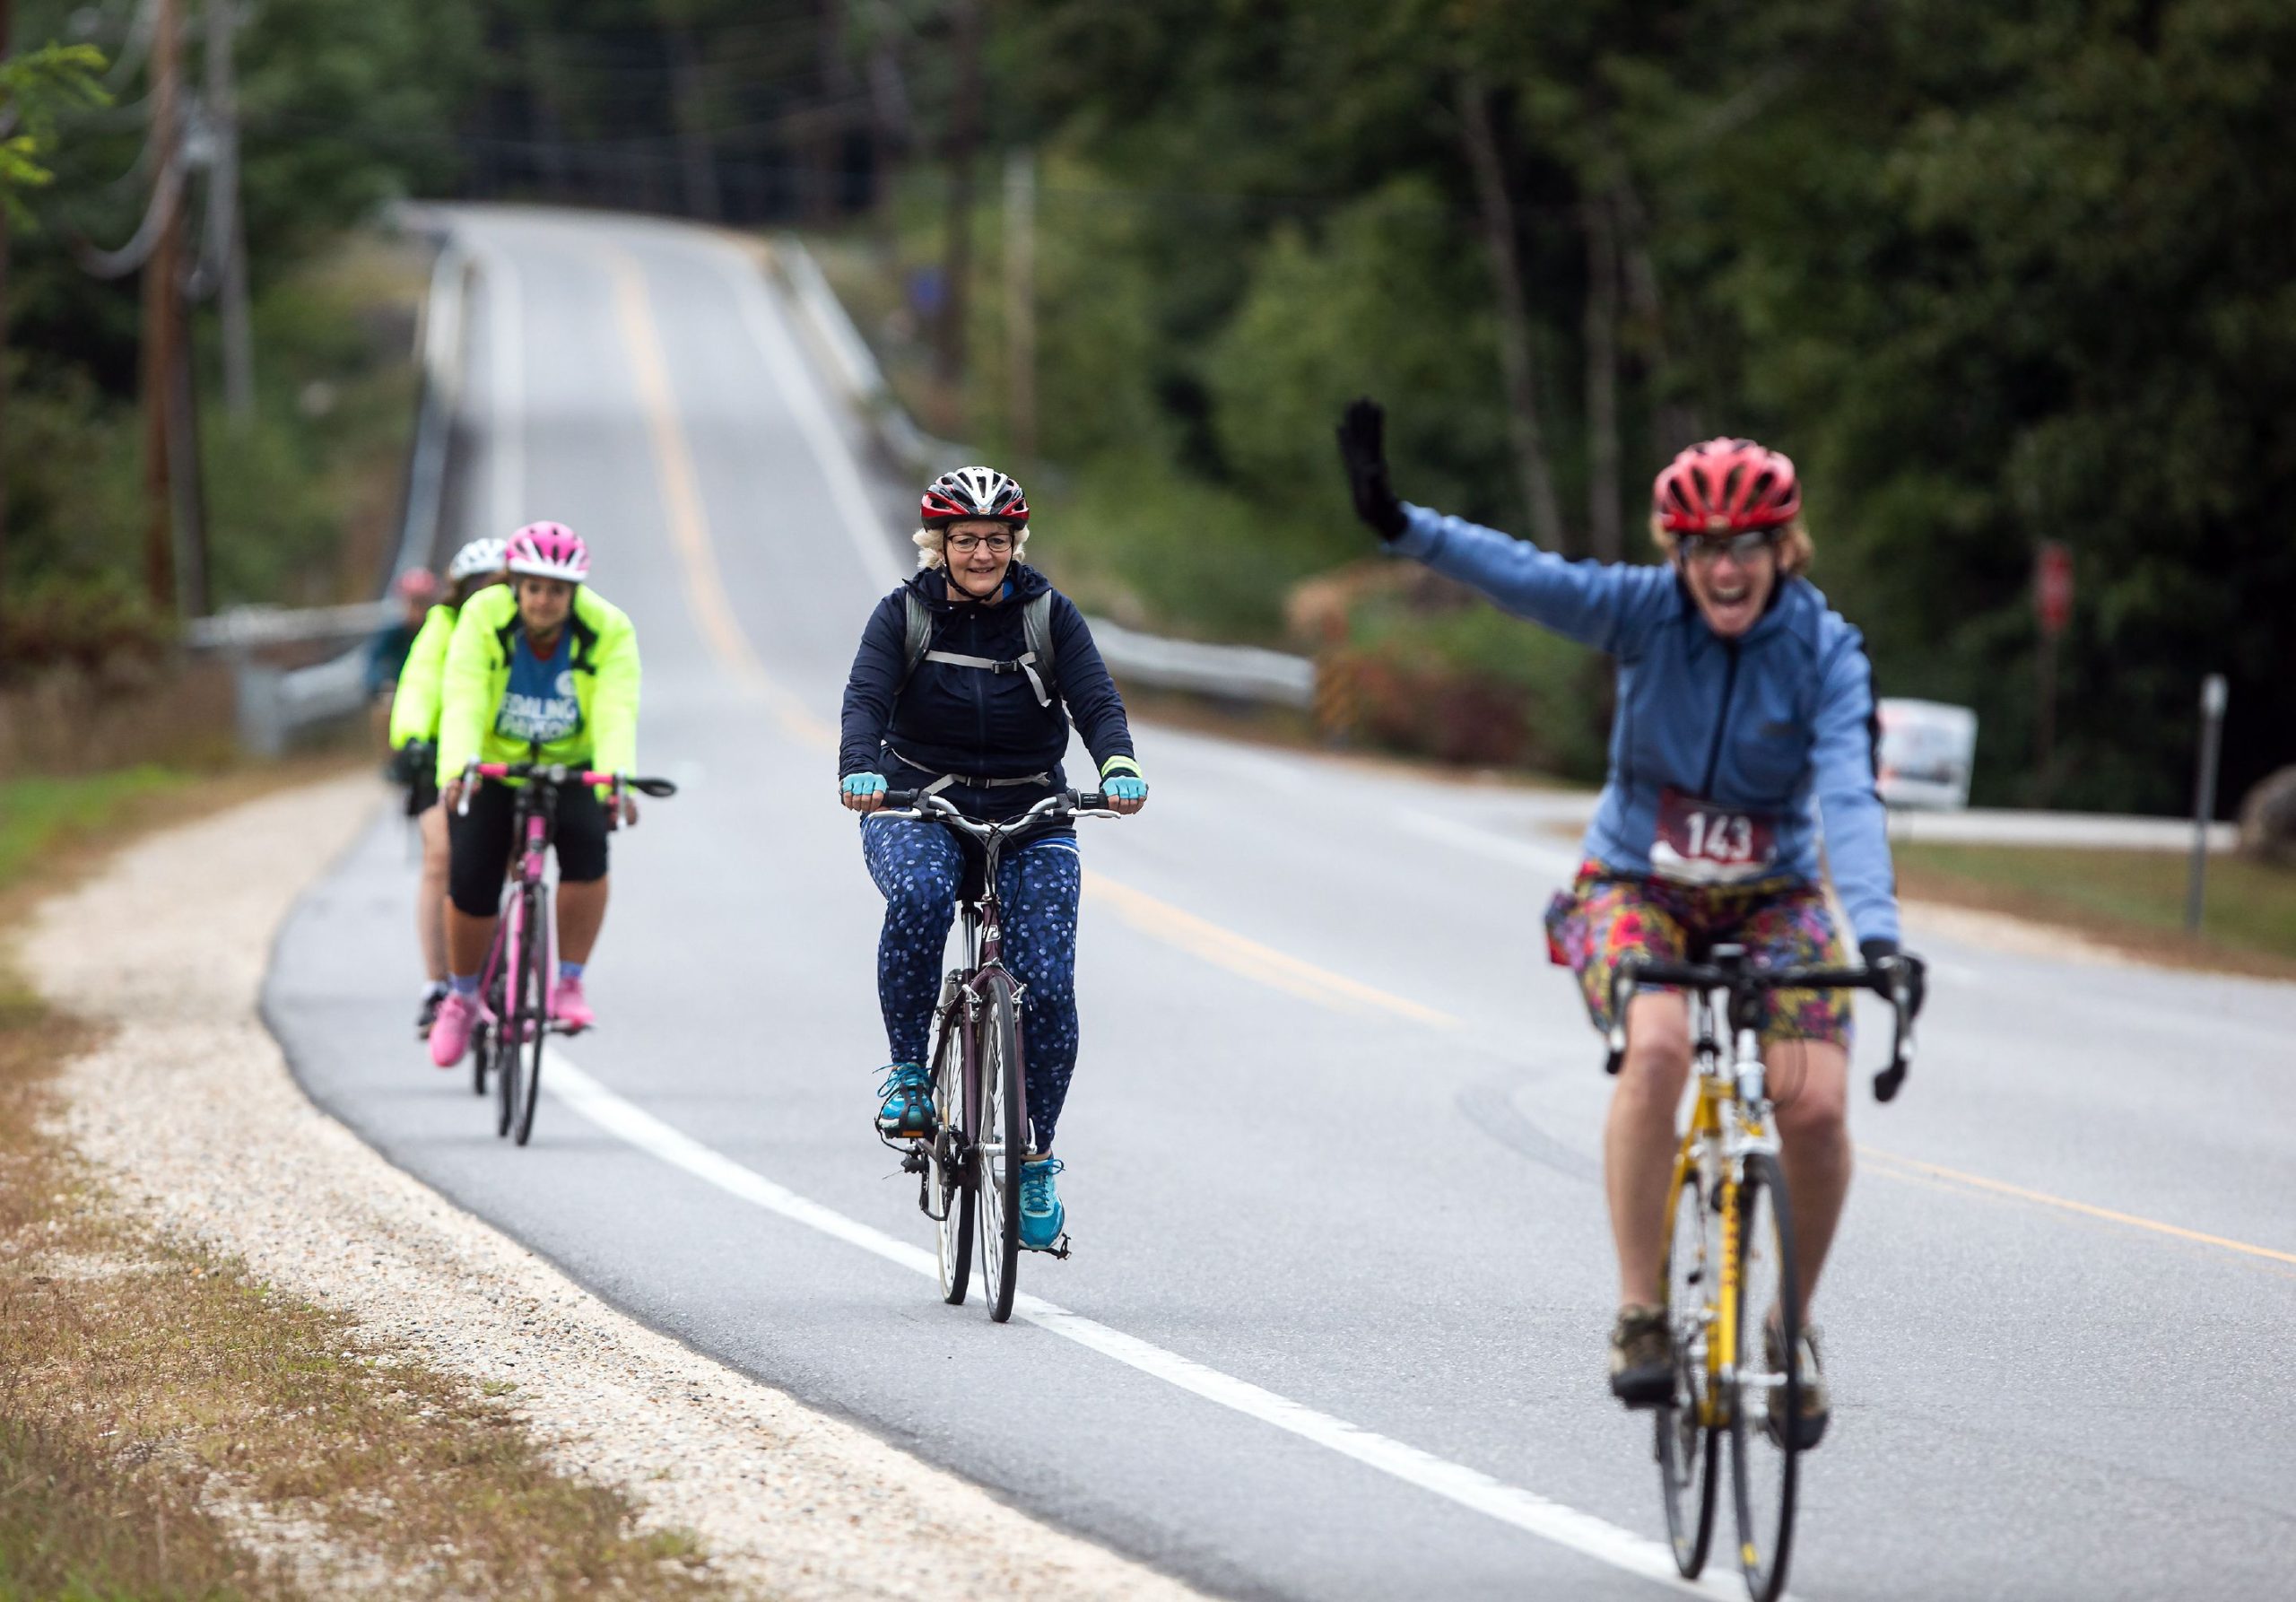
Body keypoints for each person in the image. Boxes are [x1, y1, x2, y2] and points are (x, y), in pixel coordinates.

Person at [1335, 400, 1924, 1447]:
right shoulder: (1643, 613)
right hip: (1631, 883)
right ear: (1678, 554)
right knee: (1654, 1048)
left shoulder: (1827, 651)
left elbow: (1848, 796)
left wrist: (1874, 936)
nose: (1725, 571)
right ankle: (1643, 1312)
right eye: (1704, 551)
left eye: (1746, 548)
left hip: (1774, 896)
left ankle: (1788, 1329)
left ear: (1782, 548)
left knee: (1820, 1111)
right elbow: (1524, 574)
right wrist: (1400, 524)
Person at [838, 466, 1148, 1252]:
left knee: (1048, 982)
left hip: (1032, 806)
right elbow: (866, 699)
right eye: (967, 539)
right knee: (919, 895)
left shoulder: (1048, 614)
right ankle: (911, 1075)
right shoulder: (902, 614)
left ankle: (1035, 1157)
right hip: (918, 801)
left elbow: (1096, 700)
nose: (983, 553)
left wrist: (1115, 763)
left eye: (998, 540)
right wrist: (858, 766)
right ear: (938, 545)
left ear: (1016, 544)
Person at [427, 523, 642, 1068]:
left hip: (570, 766)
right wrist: (458, 768)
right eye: (534, 589)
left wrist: (618, 777)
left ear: (574, 595)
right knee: (471, 879)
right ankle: (463, 996)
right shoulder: (482, 618)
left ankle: (568, 982)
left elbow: (617, 708)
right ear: (515, 585)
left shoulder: (608, 628)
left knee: (590, 853)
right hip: (497, 766)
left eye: (558, 591)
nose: (545, 601)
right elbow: (465, 695)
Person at [387, 537, 509, 1033]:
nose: (485, 594)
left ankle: (514, 950)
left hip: (505, 757)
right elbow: (418, 684)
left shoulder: (520, 628)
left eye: (495, 584)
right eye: (475, 585)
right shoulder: (444, 626)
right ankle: (438, 982)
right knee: (441, 858)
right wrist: (412, 736)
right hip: (443, 755)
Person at [367, 568, 442, 699]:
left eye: (423, 603)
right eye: (414, 603)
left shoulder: (440, 632)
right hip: (401, 693)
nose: (418, 611)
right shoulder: (393, 634)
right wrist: (381, 685)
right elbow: (373, 663)